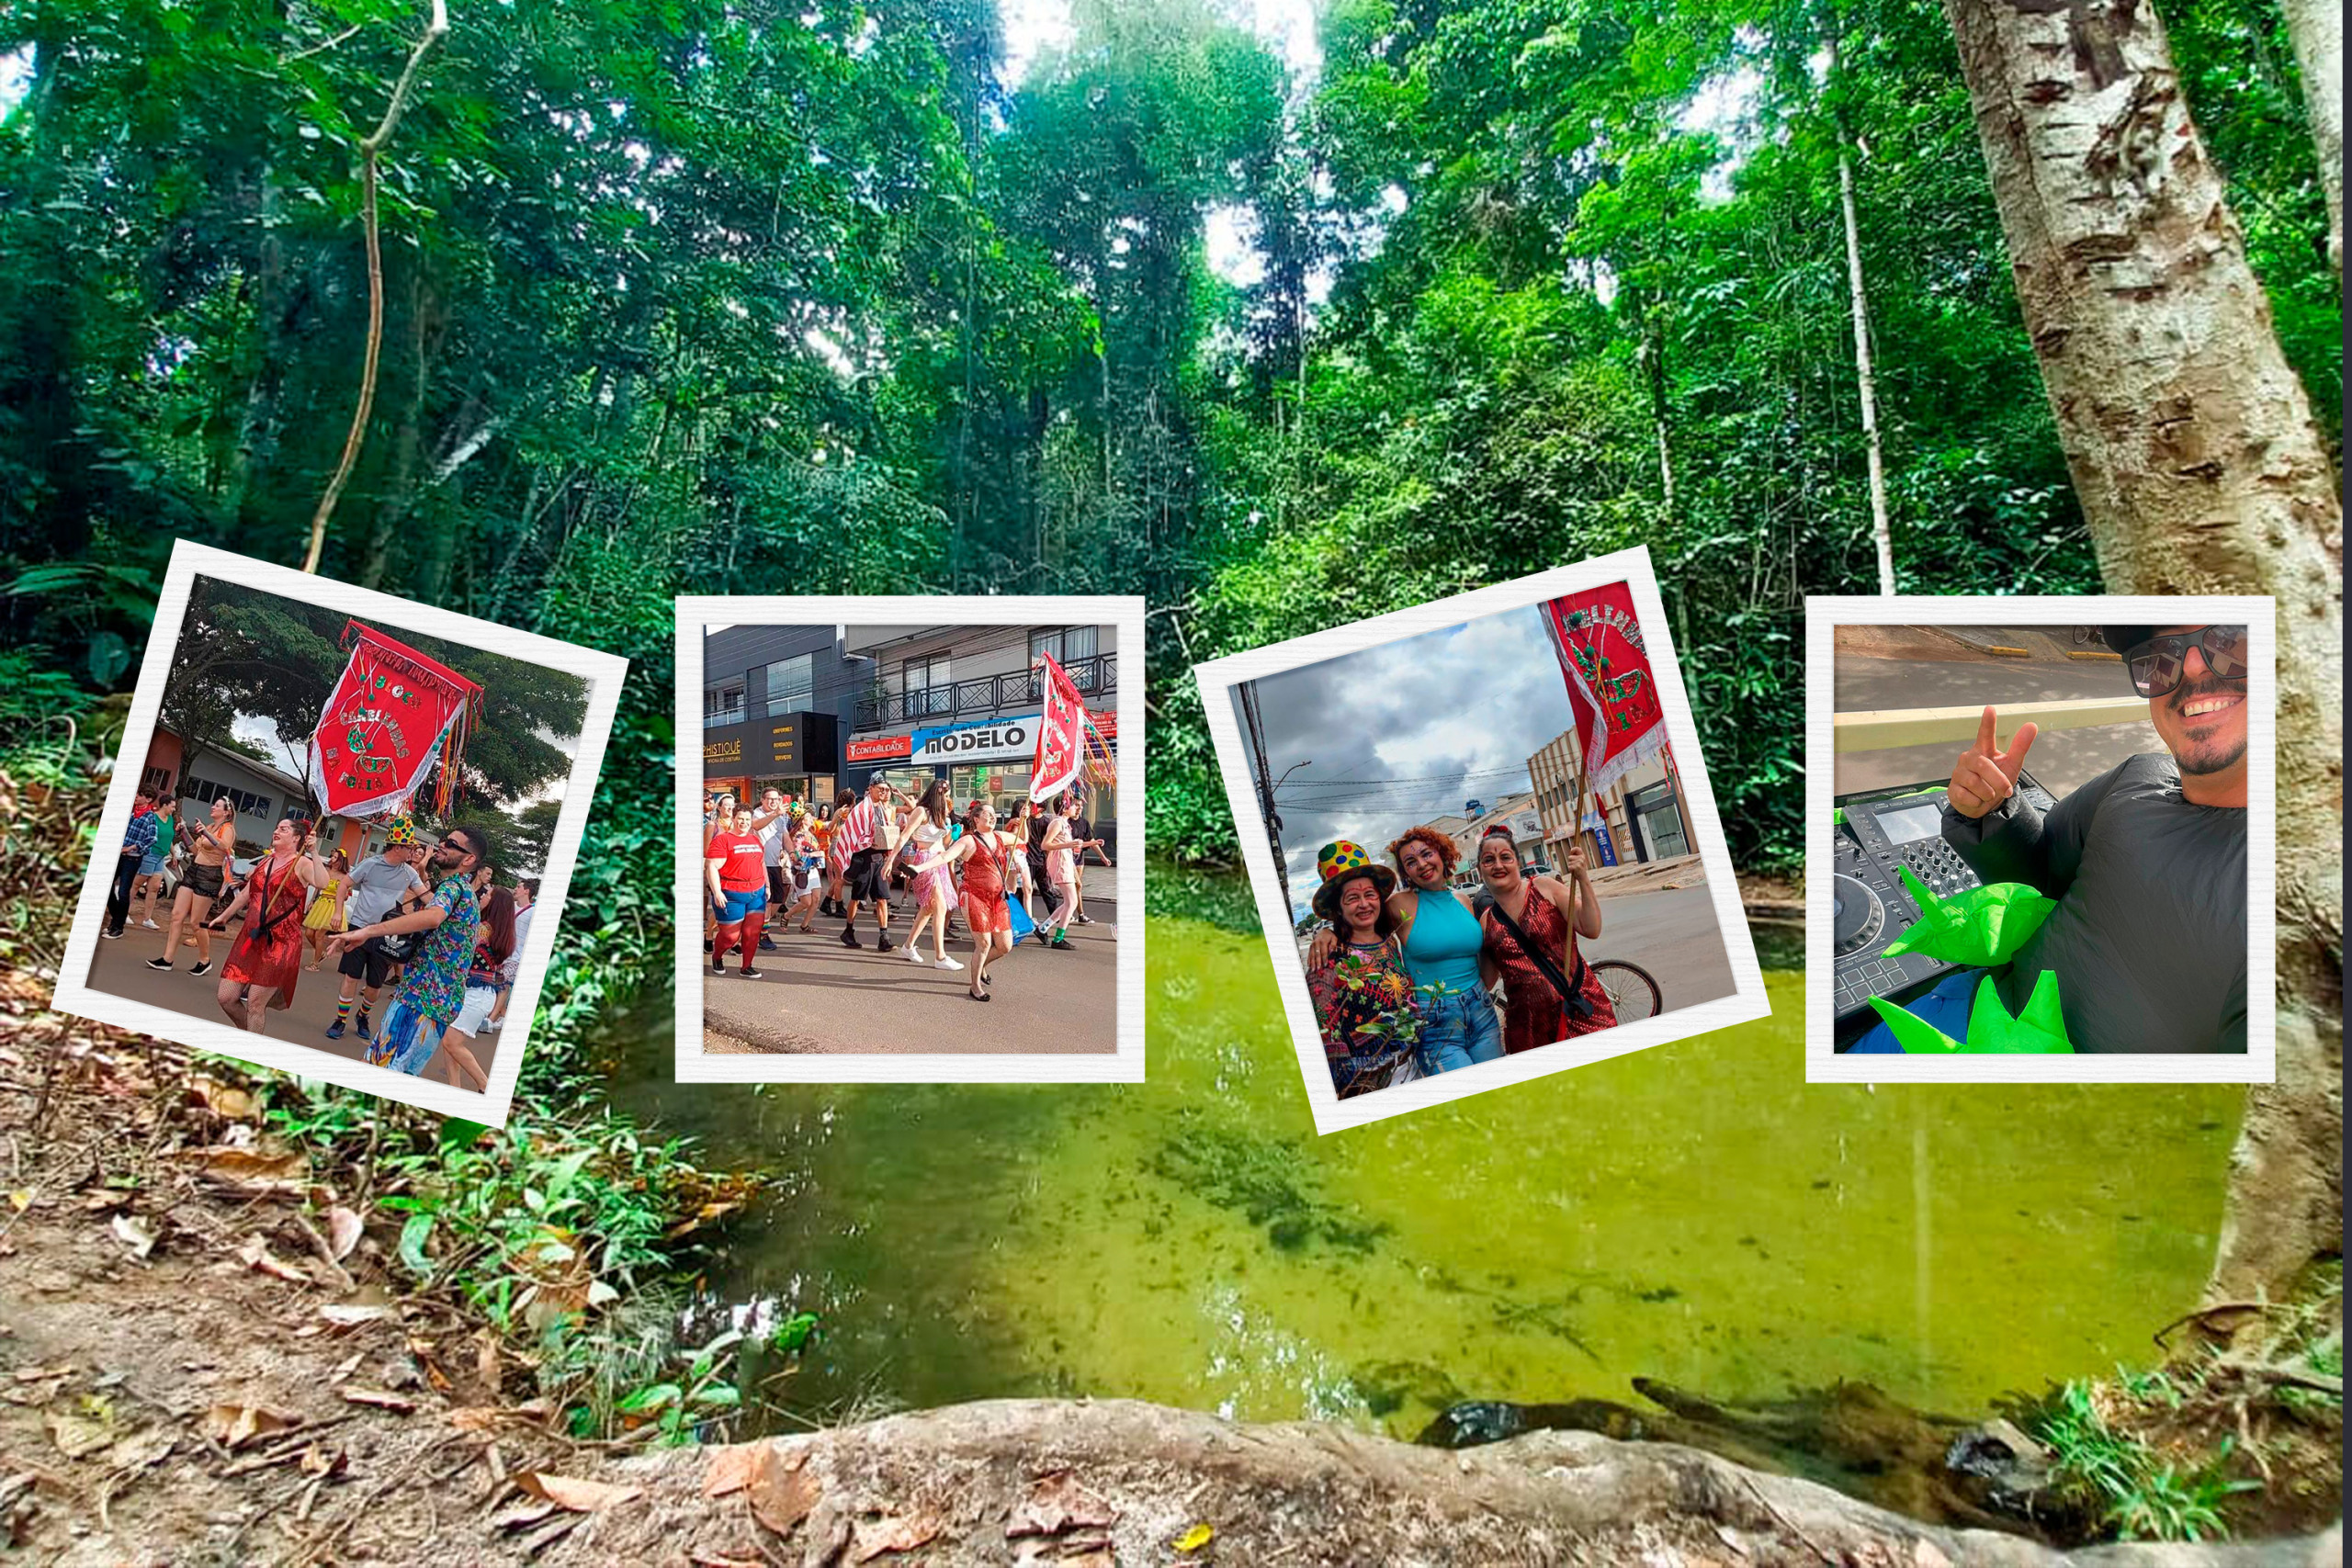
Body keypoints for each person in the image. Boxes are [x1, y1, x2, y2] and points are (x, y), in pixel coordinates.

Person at [1852, 623, 2250, 1054]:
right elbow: (2039, 871)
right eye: (2162, 657)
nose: (2189, 667)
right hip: (1967, 1005)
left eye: (2229, 640)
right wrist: (1994, 811)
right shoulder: (2137, 778)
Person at [1308, 825, 1503, 1073]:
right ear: (1405, 872)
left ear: (1442, 854)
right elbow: (1361, 921)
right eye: (1410, 862)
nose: (1421, 864)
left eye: (1426, 854)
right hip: (1436, 1020)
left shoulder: (1463, 900)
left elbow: (1481, 953)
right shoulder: (1398, 904)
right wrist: (1326, 933)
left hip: (1481, 1011)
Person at [329, 822, 494, 1077]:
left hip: (422, 1000)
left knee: (377, 1067)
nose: (442, 845)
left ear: (469, 859)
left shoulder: (453, 888)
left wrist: (367, 931)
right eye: (444, 839)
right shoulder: (460, 891)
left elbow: (433, 916)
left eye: (451, 844)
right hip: (433, 1002)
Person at [1475, 825, 1613, 1053]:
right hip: (1528, 1029)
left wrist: (1583, 878)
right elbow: (1486, 981)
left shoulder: (1544, 887)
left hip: (1580, 1010)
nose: (1498, 865)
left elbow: (1591, 928)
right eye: (1489, 860)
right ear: (1480, 869)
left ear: (1518, 863)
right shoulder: (1486, 922)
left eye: (1505, 857)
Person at [1302, 841, 1419, 1097]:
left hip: (1416, 1065)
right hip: (1372, 1083)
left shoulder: (1389, 942)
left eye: (1370, 894)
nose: (1364, 904)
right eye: (1352, 898)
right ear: (1338, 909)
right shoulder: (1327, 959)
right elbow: (1327, 1038)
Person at [207, 818, 339, 1033]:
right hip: (252, 936)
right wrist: (225, 916)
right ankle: (248, 1034)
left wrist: (314, 852)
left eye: (283, 829)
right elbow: (248, 893)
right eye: (277, 827)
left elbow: (323, 883)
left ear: (296, 838)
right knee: (226, 997)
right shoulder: (266, 861)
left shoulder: (301, 864)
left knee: (255, 1003)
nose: (276, 831)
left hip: (281, 943)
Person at [905, 800, 1024, 999]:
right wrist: (918, 868)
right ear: (976, 819)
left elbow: (1022, 839)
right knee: (984, 943)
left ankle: (982, 965)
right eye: (987, 814)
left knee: (1005, 946)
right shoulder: (968, 841)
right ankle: (975, 986)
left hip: (997, 898)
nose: (993, 817)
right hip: (974, 896)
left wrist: (1024, 819)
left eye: (994, 814)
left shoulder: (1000, 837)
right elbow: (944, 857)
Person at [325, 820, 429, 1042]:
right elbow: (344, 884)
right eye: (409, 847)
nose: (413, 851)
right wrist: (337, 912)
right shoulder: (370, 864)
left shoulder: (409, 873)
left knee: (375, 983)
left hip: (387, 934)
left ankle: (363, 1016)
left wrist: (446, 904)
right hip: (360, 927)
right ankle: (340, 1019)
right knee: (351, 977)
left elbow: (426, 896)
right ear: (397, 847)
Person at [429, 884, 514, 1089]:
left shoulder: (483, 929)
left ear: (494, 903)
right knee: (450, 1043)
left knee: (451, 1043)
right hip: (475, 993)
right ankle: (454, 1087)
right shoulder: (496, 931)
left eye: (487, 894)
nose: (483, 896)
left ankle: (485, 1085)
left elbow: (457, 940)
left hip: (475, 995)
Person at [148, 795, 238, 977]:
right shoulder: (210, 827)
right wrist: (184, 833)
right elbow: (196, 850)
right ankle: (167, 959)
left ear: (226, 812)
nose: (212, 807)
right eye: (213, 804)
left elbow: (224, 847)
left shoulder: (227, 829)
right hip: (194, 870)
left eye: (217, 805)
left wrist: (205, 833)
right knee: (176, 915)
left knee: (196, 922)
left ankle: (205, 960)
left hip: (209, 875)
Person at [888, 780, 963, 970]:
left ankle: (908, 946)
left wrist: (953, 834)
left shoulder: (938, 814)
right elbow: (904, 836)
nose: (948, 799)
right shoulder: (921, 811)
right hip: (924, 860)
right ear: (937, 794)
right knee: (940, 906)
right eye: (945, 796)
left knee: (929, 908)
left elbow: (943, 842)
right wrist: (890, 860)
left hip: (938, 860)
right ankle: (941, 956)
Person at [833, 777, 903, 952]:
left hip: (878, 858)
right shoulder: (860, 810)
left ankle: (884, 937)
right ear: (870, 788)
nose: (884, 792)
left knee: (882, 899)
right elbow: (853, 835)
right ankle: (848, 930)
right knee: (857, 898)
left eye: (886, 790)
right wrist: (870, 841)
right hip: (864, 859)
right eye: (880, 789)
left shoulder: (881, 808)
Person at [706, 798, 770, 977]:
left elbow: (761, 863)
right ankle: (717, 956)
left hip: (756, 893)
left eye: (748, 820)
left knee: (752, 933)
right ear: (734, 819)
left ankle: (746, 966)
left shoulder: (755, 839)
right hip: (731, 894)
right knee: (731, 936)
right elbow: (711, 866)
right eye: (741, 819)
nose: (744, 823)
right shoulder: (723, 840)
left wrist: (767, 885)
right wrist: (717, 891)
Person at [1035, 794, 1102, 952]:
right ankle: (1058, 938)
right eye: (1073, 805)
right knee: (1071, 902)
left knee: (1069, 902)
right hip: (1060, 864)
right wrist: (1069, 844)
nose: (1077, 808)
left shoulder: (1064, 823)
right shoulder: (1057, 823)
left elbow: (1068, 844)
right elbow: (1045, 845)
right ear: (1065, 807)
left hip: (1066, 863)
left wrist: (1091, 843)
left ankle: (1043, 928)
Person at [103, 791, 162, 940]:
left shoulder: (149, 816)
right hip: (120, 856)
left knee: (123, 892)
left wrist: (132, 848)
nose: (137, 796)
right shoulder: (132, 813)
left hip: (132, 859)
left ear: (148, 799)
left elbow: (152, 839)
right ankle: (117, 919)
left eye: (141, 795)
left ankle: (118, 927)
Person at [485, 876, 534, 1032]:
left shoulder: (533, 912)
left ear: (527, 891)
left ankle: (490, 1020)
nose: (516, 889)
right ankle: (498, 1014)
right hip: (502, 951)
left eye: (519, 887)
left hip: (516, 956)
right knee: (495, 982)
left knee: (503, 984)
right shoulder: (510, 906)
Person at [301, 850, 351, 969]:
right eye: (333, 856)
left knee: (319, 935)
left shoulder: (345, 877)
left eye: (336, 858)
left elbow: (347, 896)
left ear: (341, 861)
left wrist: (343, 893)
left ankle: (315, 963)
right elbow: (318, 887)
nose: (333, 859)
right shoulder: (325, 871)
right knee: (308, 933)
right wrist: (312, 901)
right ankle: (321, 953)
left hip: (333, 907)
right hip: (320, 903)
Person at [131, 793, 174, 931]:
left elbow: (170, 837)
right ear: (165, 805)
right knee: (137, 884)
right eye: (172, 806)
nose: (173, 809)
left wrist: (173, 853)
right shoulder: (153, 817)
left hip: (161, 856)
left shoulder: (170, 819)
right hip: (150, 854)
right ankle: (124, 912)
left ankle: (147, 918)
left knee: (154, 888)